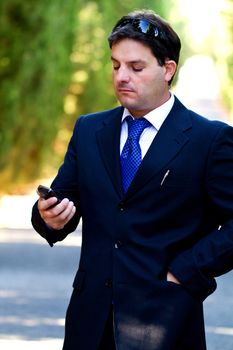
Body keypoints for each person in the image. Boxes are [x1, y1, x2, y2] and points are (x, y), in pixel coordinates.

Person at [31, 9, 233, 350]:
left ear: (167, 69)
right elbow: (60, 203)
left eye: (136, 67)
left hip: (166, 321)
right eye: (115, 65)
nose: (122, 76)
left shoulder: (209, 140)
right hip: (89, 323)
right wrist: (48, 217)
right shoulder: (89, 130)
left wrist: (185, 270)